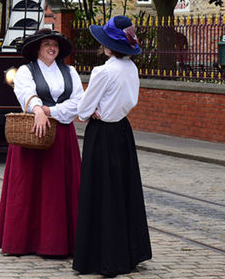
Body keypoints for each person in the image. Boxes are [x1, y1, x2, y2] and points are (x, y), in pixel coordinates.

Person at [73, 15, 152, 276]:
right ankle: (129, 253)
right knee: (123, 191)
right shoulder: (131, 69)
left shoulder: (103, 72)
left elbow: (83, 110)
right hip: (122, 131)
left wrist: (93, 110)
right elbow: (130, 101)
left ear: (109, 45)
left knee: (102, 194)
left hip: (102, 134)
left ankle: (103, 257)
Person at [0, 29, 84, 256]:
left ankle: (57, 242)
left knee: (57, 190)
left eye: (55, 44)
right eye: (47, 44)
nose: (52, 48)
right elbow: (26, 93)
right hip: (34, 132)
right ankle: (23, 242)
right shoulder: (27, 71)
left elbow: (79, 102)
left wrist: (50, 111)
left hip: (62, 135)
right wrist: (38, 110)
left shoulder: (70, 71)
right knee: (28, 189)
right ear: (37, 49)